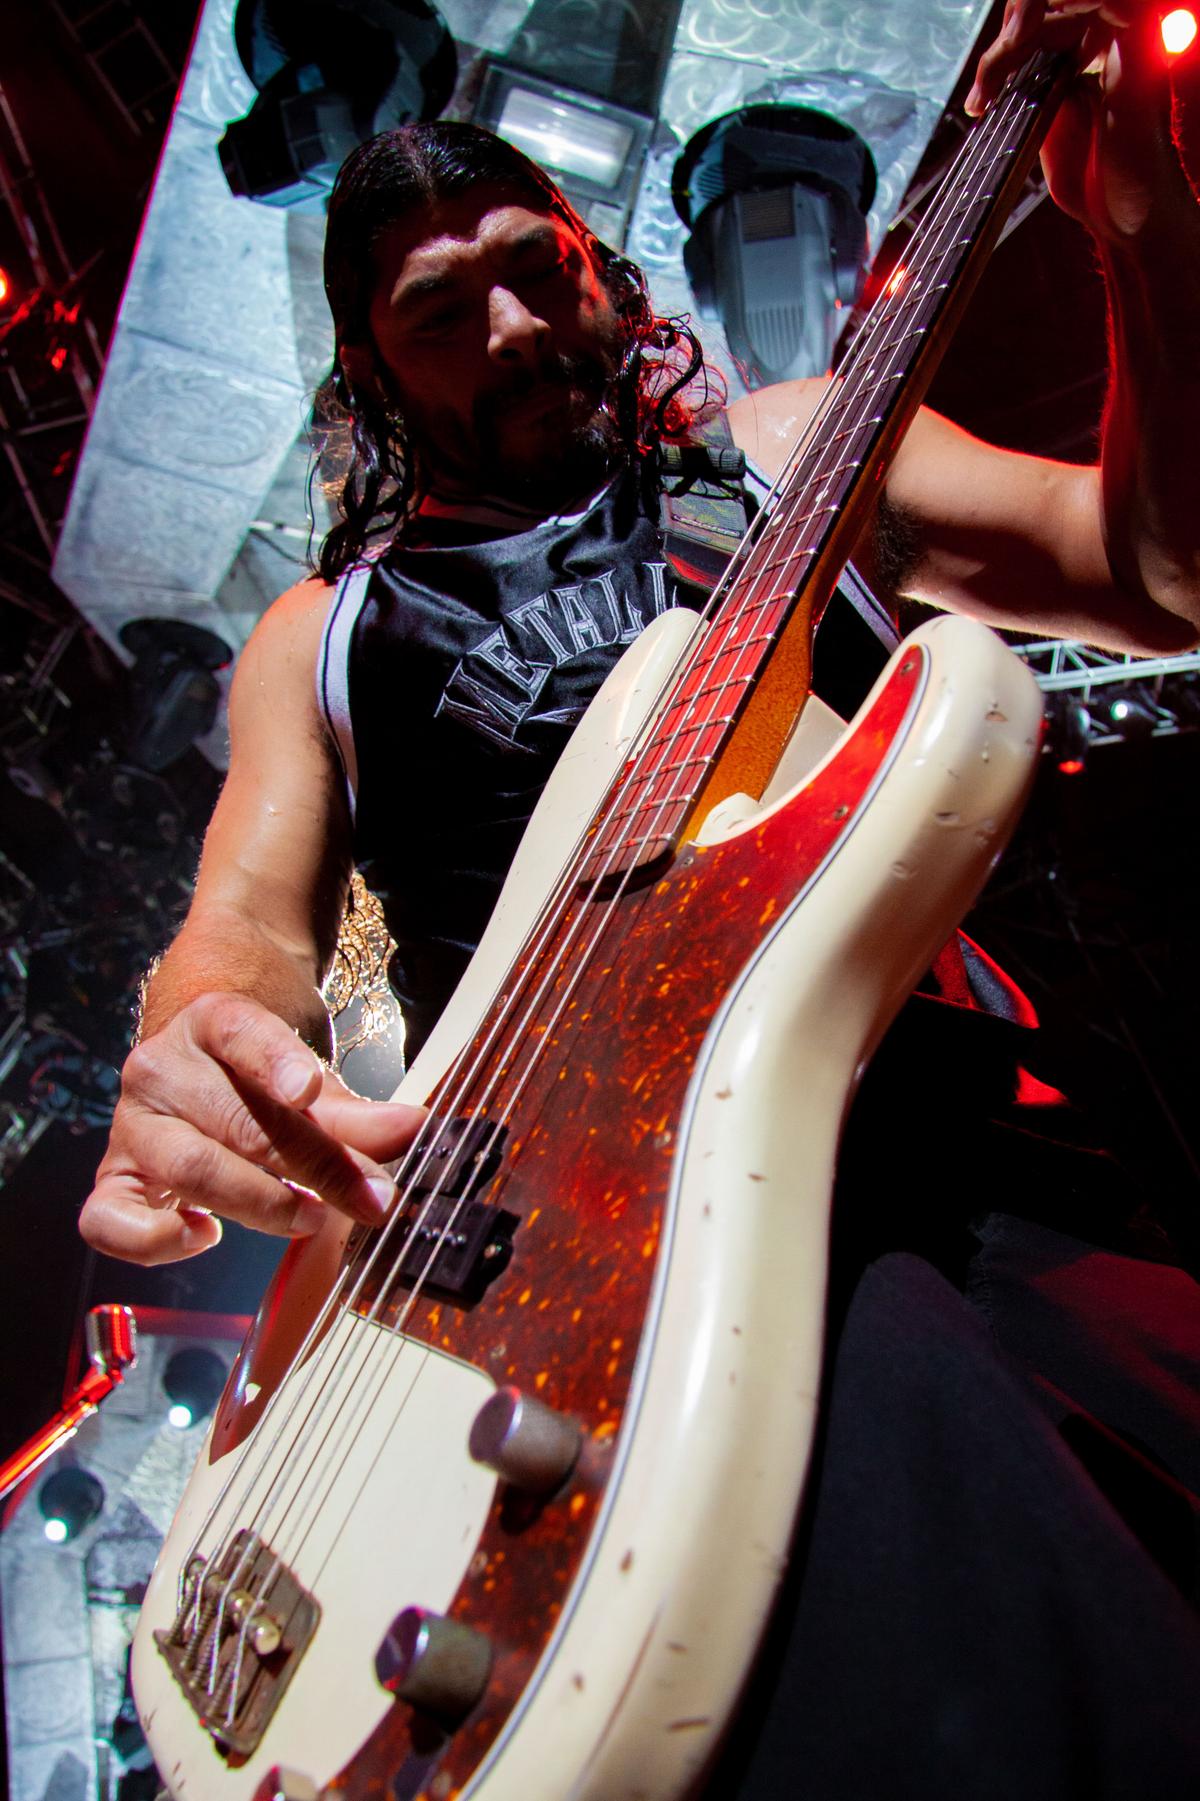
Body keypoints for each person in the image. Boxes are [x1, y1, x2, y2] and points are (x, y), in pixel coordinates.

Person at [83, 0, 1200, 1791]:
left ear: (602, 269)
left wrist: (1145, 235)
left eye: (537, 269)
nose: (513, 325)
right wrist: (196, 1036)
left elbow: (1161, 568)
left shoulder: (792, 449)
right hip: (525, 1237)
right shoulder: (326, 630)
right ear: (374, 377)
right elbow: (250, 923)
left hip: (915, 1139)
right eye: (439, 313)